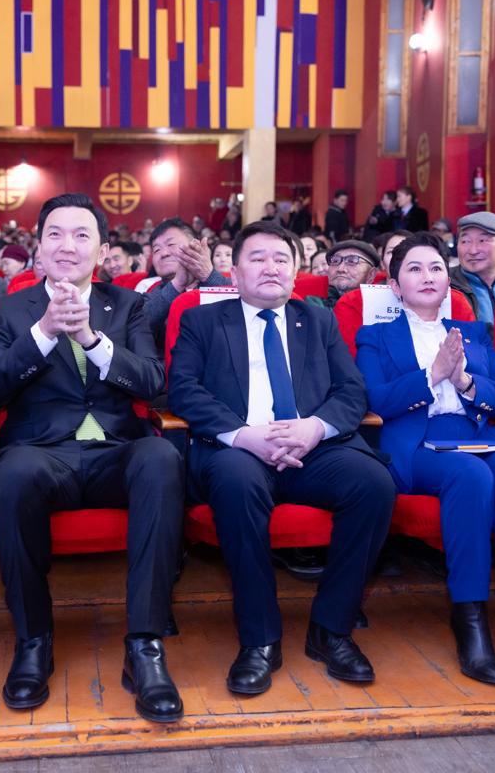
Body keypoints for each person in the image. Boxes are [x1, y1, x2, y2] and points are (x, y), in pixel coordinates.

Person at [0, 193, 185, 723]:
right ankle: (33, 640)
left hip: (116, 450)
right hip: (42, 453)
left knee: (160, 457)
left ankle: (145, 645)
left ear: (103, 250)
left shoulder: (128, 306)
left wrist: (91, 339)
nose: (67, 245)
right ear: (38, 248)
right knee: (13, 471)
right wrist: (44, 333)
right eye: (55, 234)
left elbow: (152, 381)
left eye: (81, 235)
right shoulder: (8, 310)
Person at [167, 220, 395, 696]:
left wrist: (314, 428)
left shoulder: (319, 321)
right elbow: (184, 390)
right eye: (258, 258)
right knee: (236, 483)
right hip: (239, 450)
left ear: (295, 272)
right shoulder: (202, 321)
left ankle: (331, 629)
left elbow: (351, 391)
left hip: (311, 449)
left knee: (373, 484)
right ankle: (260, 639)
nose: (271, 268)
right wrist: (244, 436)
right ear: (234, 272)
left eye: (281, 259)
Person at [356, 234, 495, 686]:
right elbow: (375, 400)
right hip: (416, 444)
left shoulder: (475, 334)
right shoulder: (376, 337)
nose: (428, 277)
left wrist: (465, 383)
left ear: (449, 282)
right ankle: (470, 618)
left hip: (477, 435)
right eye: (414, 269)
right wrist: (433, 375)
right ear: (395, 286)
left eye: (436, 268)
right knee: (470, 476)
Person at [142, 218, 230, 348]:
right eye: (156, 250)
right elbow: (138, 324)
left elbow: (237, 312)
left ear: (196, 246)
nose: (164, 253)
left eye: (171, 244)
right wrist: (177, 284)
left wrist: (208, 275)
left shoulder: (228, 284)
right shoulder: (152, 293)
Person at [306, 240, 381, 309]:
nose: (340, 269)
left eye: (352, 261)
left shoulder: (380, 307)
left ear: (371, 275)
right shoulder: (314, 305)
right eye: (335, 261)